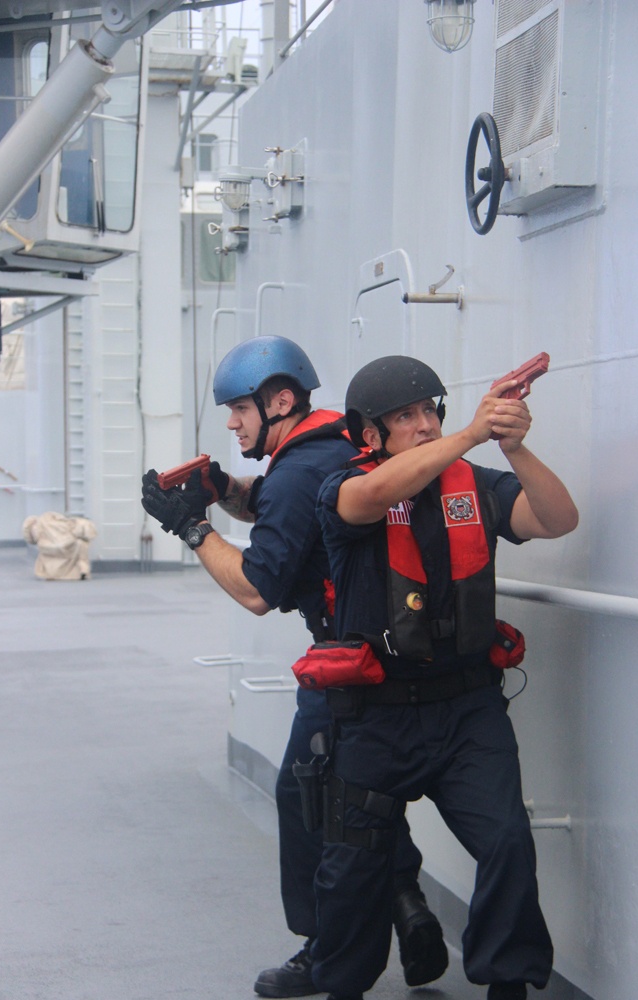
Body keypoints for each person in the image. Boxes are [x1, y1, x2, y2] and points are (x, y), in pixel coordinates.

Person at [139, 337, 448, 998]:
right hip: (400, 655)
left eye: (238, 409)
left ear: (279, 401)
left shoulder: (300, 470)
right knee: (361, 796)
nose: (231, 423)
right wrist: (218, 489)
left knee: (311, 799)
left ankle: (322, 948)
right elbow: (276, 505)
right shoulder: (327, 445)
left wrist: (193, 528)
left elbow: (256, 589)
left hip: (350, 663)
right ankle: (404, 901)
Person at [311, 355, 579, 1000]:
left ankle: (506, 983)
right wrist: (474, 431)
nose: (427, 425)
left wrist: (514, 449)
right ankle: (342, 982)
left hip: (468, 714)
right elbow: (376, 496)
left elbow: (555, 520)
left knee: (508, 842)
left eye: (432, 411)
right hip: (375, 717)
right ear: (370, 435)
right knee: (351, 871)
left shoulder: (477, 484)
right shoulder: (343, 488)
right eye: (407, 417)